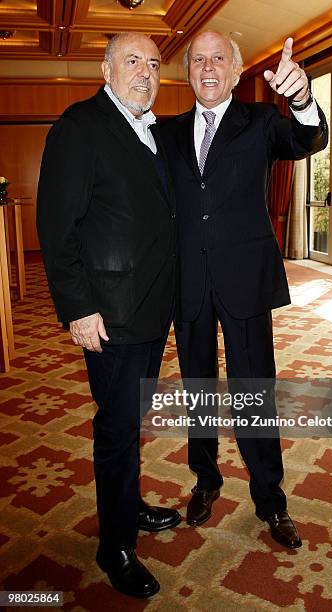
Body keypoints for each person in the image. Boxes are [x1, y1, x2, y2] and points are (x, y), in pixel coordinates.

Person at [161, 31, 328, 549]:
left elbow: (308, 139)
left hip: (245, 280)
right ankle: (206, 481)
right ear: (187, 72)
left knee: (255, 391)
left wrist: (300, 97)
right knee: (198, 391)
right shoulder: (164, 133)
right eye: (198, 60)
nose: (208, 68)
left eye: (219, 59)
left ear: (235, 72)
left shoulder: (260, 122)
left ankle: (271, 500)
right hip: (187, 280)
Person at [37, 32, 180, 599]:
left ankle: (130, 504)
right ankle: (115, 544)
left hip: (151, 310)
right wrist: (77, 309)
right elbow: (57, 227)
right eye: (131, 61)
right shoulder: (80, 126)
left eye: (152, 63)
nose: (145, 72)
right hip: (111, 316)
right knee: (116, 428)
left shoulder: (152, 129)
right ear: (105, 69)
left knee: (130, 420)